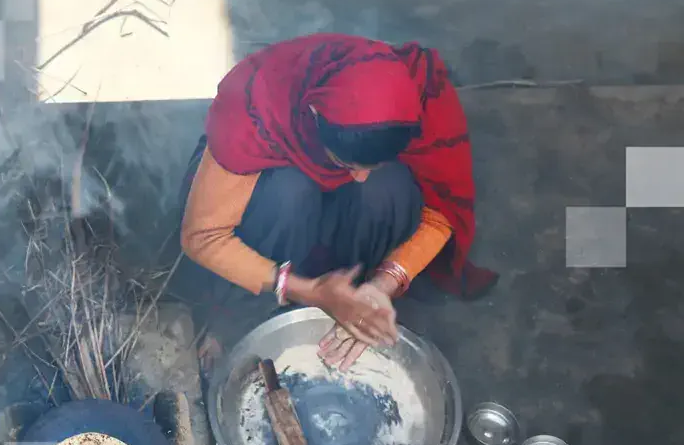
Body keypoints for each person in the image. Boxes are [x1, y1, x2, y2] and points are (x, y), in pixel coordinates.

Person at [179, 34, 498, 370]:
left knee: (387, 187)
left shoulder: (420, 95)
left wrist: (382, 285)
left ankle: (353, 293)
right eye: (347, 165)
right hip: (278, 211)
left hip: (345, 224)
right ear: (314, 115)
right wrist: (306, 289)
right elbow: (202, 237)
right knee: (290, 192)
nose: (358, 176)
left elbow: (440, 213)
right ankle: (241, 319)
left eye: (368, 166)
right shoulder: (255, 109)